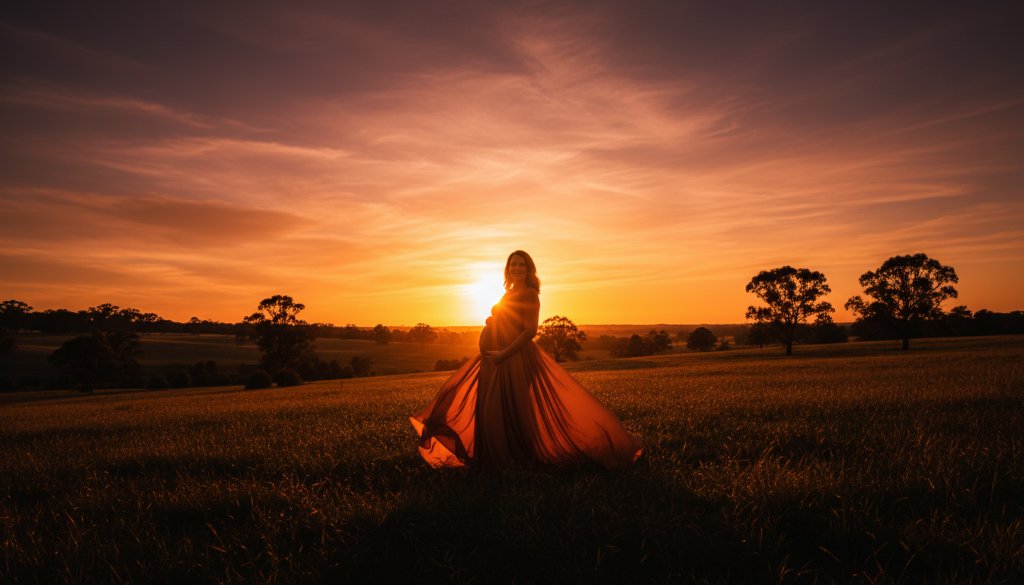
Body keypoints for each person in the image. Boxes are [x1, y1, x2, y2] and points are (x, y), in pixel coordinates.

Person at [410, 250, 643, 468]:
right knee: (491, 409)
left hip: (514, 358)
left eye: (522, 264)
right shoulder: (508, 293)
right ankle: (493, 458)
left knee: (513, 409)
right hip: (494, 359)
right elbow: (507, 321)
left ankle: (516, 457)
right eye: (513, 264)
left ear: (529, 269)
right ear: (508, 269)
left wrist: (503, 354)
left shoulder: (530, 294)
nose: (517, 268)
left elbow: (530, 331)